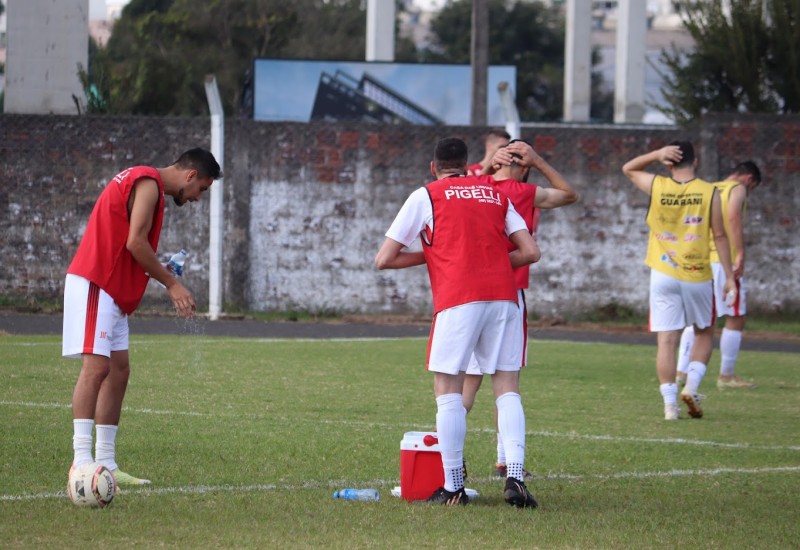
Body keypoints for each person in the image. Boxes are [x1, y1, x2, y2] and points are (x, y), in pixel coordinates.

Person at [375, 137, 541, 507]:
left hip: (458, 299)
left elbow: (384, 259)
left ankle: (453, 487)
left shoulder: (427, 195)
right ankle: (515, 477)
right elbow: (530, 251)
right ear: (468, 166)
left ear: (433, 167)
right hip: (503, 298)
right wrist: (493, 265)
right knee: (508, 387)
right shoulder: (495, 194)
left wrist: (437, 258)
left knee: (449, 390)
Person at [64, 148, 222, 486]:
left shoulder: (147, 184)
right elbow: (135, 242)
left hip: (114, 288)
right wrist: (171, 284)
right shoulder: (148, 182)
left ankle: (106, 463)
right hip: (97, 281)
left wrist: (160, 269)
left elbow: (132, 245)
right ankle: (81, 463)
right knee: (96, 367)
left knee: (118, 371)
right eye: (202, 190)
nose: (197, 199)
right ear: (191, 176)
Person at [462, 139, 579, 477]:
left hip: (468, 292)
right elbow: (570, 194)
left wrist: (484, 166)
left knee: (466, 382)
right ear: (525, 166)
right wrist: (539, 160)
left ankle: (447, 459)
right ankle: (506, 462)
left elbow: (453, 191)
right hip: (508, 293)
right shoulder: (526, 194)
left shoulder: (474, 186)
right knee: (506, 382)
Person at [622, 141, 736, 420]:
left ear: (669, 163)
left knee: (667, 340)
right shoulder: (710, 192)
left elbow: (628, 168)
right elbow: (720, 236)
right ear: (696, 162)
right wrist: (730, 276)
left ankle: (670, 405)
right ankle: (692, 387)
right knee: (705, 331)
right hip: (697, 272)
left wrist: (655, 155)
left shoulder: (658, 185)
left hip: (663, 273)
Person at [676, 161, 762, 389]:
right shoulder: (738, 189)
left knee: (698, 318)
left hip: (700, 259)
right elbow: (733, 216)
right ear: (749, 179)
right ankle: (726, 375)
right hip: (724, 262)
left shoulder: (709, 188)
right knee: (735, 317)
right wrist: (741, 253)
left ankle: (680, 371)